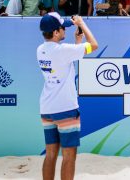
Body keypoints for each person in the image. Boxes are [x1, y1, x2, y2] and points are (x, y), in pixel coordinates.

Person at [37, 12, 98, 180]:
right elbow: (94, 45)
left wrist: (77, 41)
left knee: (50, 154)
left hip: (47, 108)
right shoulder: (63, 50)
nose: (64, 30)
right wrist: (82, 24)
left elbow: (66, 59)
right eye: (62, 28)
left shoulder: (41, 49)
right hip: (65, 108)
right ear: (56, 32)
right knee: (69, 156)